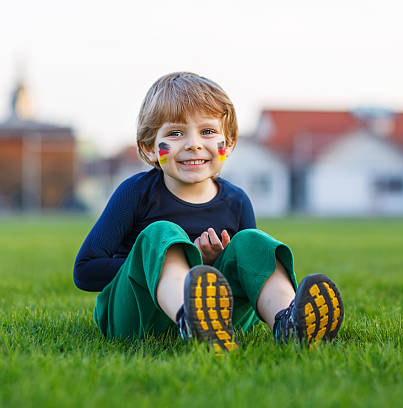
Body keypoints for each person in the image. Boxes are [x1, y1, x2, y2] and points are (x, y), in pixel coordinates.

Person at [73, 72, 344, 352]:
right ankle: (191, 320)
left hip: (222, 317)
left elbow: (246, 276)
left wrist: (210, 264)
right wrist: (169, 261)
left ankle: (288, 321)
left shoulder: (237, 201)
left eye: (208, 131)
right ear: (150, 148)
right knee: (162, 234)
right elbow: (85, 271)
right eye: (176, 133)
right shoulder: (134, 193)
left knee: (252, 242)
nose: (194, 144)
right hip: (137, 316)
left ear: (229, 143)